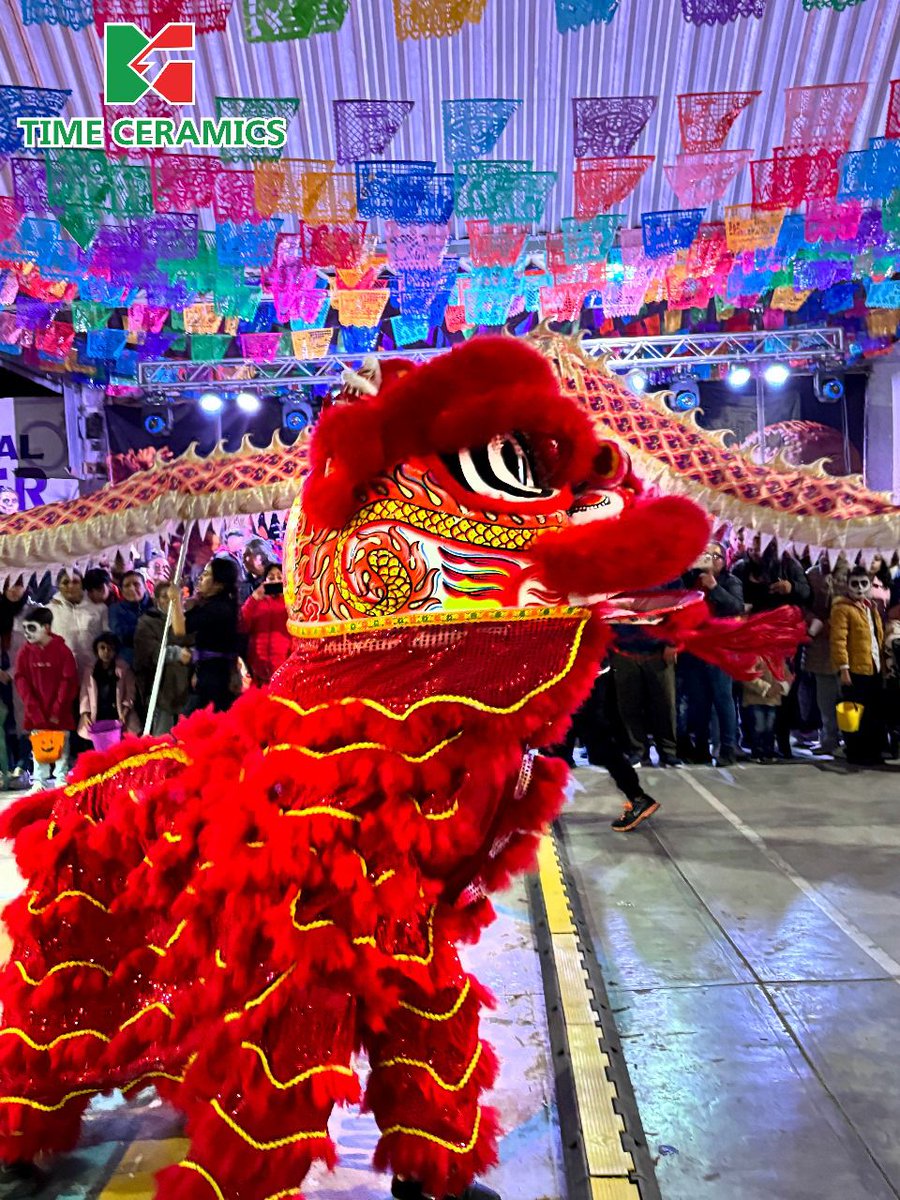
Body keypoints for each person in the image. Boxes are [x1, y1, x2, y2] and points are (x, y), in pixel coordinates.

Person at [550, 666, 660, 831]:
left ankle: (638, 797)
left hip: (581, 675)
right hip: (577, 674)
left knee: (595, 740)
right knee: (563, 737)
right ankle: (547, 803)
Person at [679, 542, 744, 765]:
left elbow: (737, 607)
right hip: (695, 648)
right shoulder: (691, 579)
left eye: (715, 556)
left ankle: (728, 748)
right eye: (705, 554)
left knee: (723, 699)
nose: (710, 559)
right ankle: (701, 748)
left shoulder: (731, 581)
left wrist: (715, 587)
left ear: (724, 560)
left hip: (719, 649)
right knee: (699, 702)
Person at [13, 606, 79, 791]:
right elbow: (20, 679)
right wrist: (32, 707)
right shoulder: (24, 652)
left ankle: (60, 777)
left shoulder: (62, 651)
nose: (27, 633)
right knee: (38, 746)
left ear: (47, 628)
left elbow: (68, 681)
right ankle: (40, 780)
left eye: (32, 628)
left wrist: (58, 708)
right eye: (25, 628)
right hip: (36, 710)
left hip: (59, 711)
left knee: (61, 747)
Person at [171, 557, 242, 714]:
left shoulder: (219, 608)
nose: (201, 577)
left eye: (207, 574)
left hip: (216, 676)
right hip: (208, 671)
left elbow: (180, 629)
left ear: (218, 584)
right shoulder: (213, 604)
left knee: (193, 722)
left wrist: (175, 599)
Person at [830, 566, 885, 767]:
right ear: (847, 585)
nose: (860, 588)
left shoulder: (871, 607)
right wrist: (844, 669)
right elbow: (838, 641)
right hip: (854, 671)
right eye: (855, 584)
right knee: (855, 714)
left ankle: (872, 752)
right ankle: (855, 752)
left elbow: (876, 638)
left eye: (864, 583)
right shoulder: (841, 608)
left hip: (874, 669)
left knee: (873, 713)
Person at [609, 622, 681, 767]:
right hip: (623, 649)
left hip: (658, 650)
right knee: (629, 704)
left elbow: (676, 610)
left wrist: (672, 643)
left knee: (665, 704)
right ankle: (638, 751)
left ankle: (668, 752)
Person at [133, 581, 191, 735]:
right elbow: (148, 651)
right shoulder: (147, 622)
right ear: (157, 599)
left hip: (187, 689)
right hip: (162, 689)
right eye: (165, 597)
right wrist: (176, 653)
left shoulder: (186, 620)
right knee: (162, 736)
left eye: (174, 597)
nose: (170, 601)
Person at [804, 553, 847, 756]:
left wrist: (837, 622)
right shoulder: (811, 574)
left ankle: (849, 739)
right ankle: (828, 737)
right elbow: (803, 604)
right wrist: (814, 622)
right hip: (820, 643)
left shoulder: (850, 573)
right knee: (825, 696)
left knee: (846, 696)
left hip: (846, 641)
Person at [77, 632, 140, 747]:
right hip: (97, 715)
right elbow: (84, 694)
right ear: (97, 649)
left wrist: (124, 713)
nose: (106, 652)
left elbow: (130, 693)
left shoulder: (124, 669)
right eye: (102, 648)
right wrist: (85, 715)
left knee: (119, 745)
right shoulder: (90, 670)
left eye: (110, 649)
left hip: (118, 714)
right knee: (99, 746)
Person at [240, 562, 293, 687]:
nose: (275, 581)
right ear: (264, 581)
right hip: (257, 666)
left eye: (280, 577)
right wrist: (254, 598)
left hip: (284, 664)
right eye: (271, 577)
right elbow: (242, 625)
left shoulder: (291, 603)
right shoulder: (256, 602)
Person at [48, 569, 106, 680]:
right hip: (63, 675)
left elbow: (107, 637)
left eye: (75, 582)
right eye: (65, 583)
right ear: (58, 586)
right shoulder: (49, 610)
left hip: (95, 673)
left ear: (82, 584)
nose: (70, 586)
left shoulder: (99, 608)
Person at [742, 661, 792, 763]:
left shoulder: (778, 659)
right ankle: (757, 752)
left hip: (773, 701)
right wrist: (765, 688)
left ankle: (769, 752)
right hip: (756, 700)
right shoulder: (753, 657)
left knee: (770, 728)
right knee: (758, 727)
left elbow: (787, 676)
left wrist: (780, 686)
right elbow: (747, 676)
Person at [108, 571, 153, 667]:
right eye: (127, 585)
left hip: (156, 659)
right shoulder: (115, 609)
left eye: (136, 584)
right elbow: (121, 635)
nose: (132, 588)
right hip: (129, 662)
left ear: (145, 586)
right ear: (121, 590)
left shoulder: (155, 604)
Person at [241, 537, 271, 602]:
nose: (243, 561)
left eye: (247, 556)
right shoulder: (244, 585)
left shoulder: (275, 580)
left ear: (260, 557)